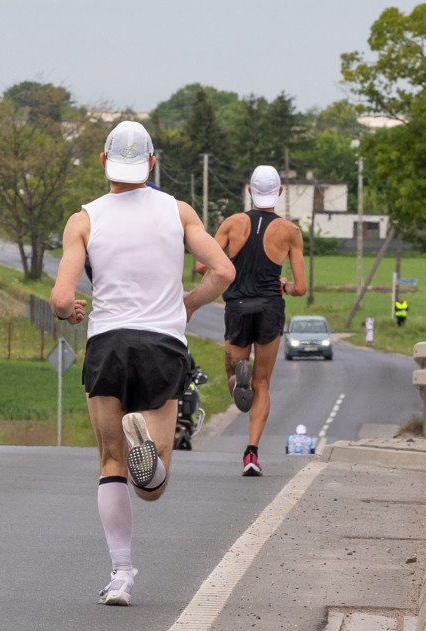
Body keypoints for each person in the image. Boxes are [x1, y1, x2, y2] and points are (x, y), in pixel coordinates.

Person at [50, 120, 234, 606]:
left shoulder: (83, 219)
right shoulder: (178, 212)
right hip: (162, 345)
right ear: (152, 164)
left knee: (111, 463)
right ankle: (148, 449)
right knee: (152, 487)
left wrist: (70, 310)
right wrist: (189, 303)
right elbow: (224, 271)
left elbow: (61, 296)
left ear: (103, 163)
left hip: (107, 345)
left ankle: (120, 575)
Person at [198, 164, 306, 476]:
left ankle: (236, 381)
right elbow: (300, 288)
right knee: (263, 384)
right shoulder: (291, 232)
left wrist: (227, 263)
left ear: (249, 190)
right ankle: (252, 454)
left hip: (238, 306)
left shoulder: (232, 224)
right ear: (280, 193)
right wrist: (283, 285)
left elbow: (203, 267)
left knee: (233, 368)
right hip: (270, 309)